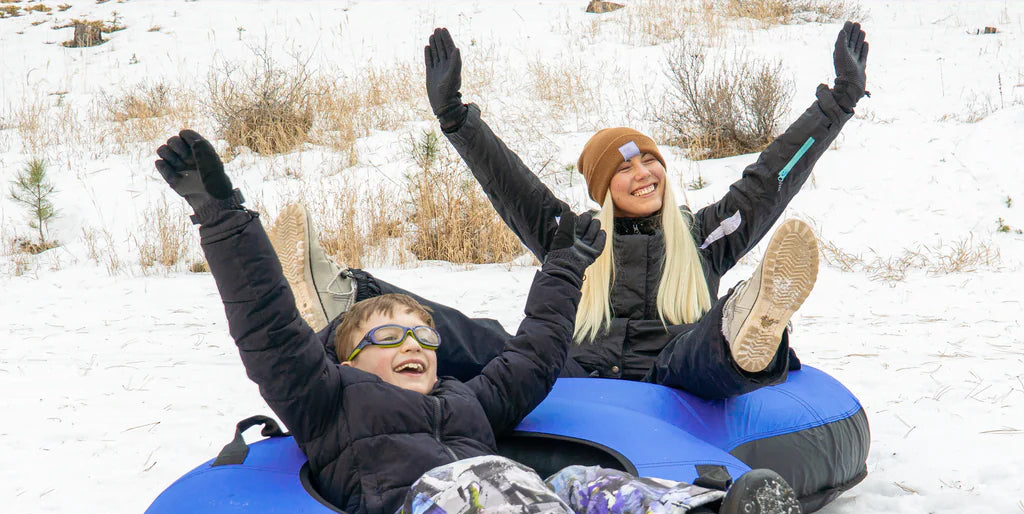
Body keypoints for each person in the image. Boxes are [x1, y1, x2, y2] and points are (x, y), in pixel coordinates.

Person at [155, 129, 805, 514]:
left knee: (580, 483)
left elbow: (536, 352)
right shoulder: (326, 398)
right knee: (471, 481)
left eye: (422, 337)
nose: (412, 346)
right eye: (388, 337)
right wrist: (222, 214)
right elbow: (267, 326)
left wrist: (566, 267)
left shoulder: (466, 401)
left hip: (514, 511)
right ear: (346, 357)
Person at [276, 22, 868, 399]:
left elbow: (772, 179)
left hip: (673, 380)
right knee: (481, 336)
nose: (643, 174)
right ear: (606, 189)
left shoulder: (705, 237)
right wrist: (455, 117)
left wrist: (838, 103)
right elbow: (510, 186)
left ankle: (754, 320)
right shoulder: (575, 238)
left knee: (702, 348)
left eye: (650, 162)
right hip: (571, 383)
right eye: (625, 169)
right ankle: (342, 295)